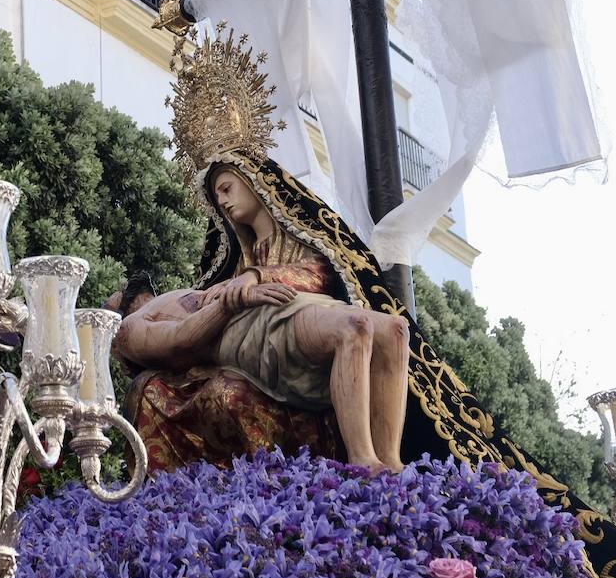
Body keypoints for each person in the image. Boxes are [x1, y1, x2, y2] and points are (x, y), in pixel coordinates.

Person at [116, 164, 409, 473]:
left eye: (226, 190)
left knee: (395, 329)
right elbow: (184, 340)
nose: (223, 203)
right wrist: (241, 291)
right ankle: (363, 459)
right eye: (218, 196)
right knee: (356, 327)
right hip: (264, 328)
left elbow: (322, 272)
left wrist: (253, 277)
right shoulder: (130, 328)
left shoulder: (264, 252)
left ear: (256, 182)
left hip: (301, 309)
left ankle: (391, 461)